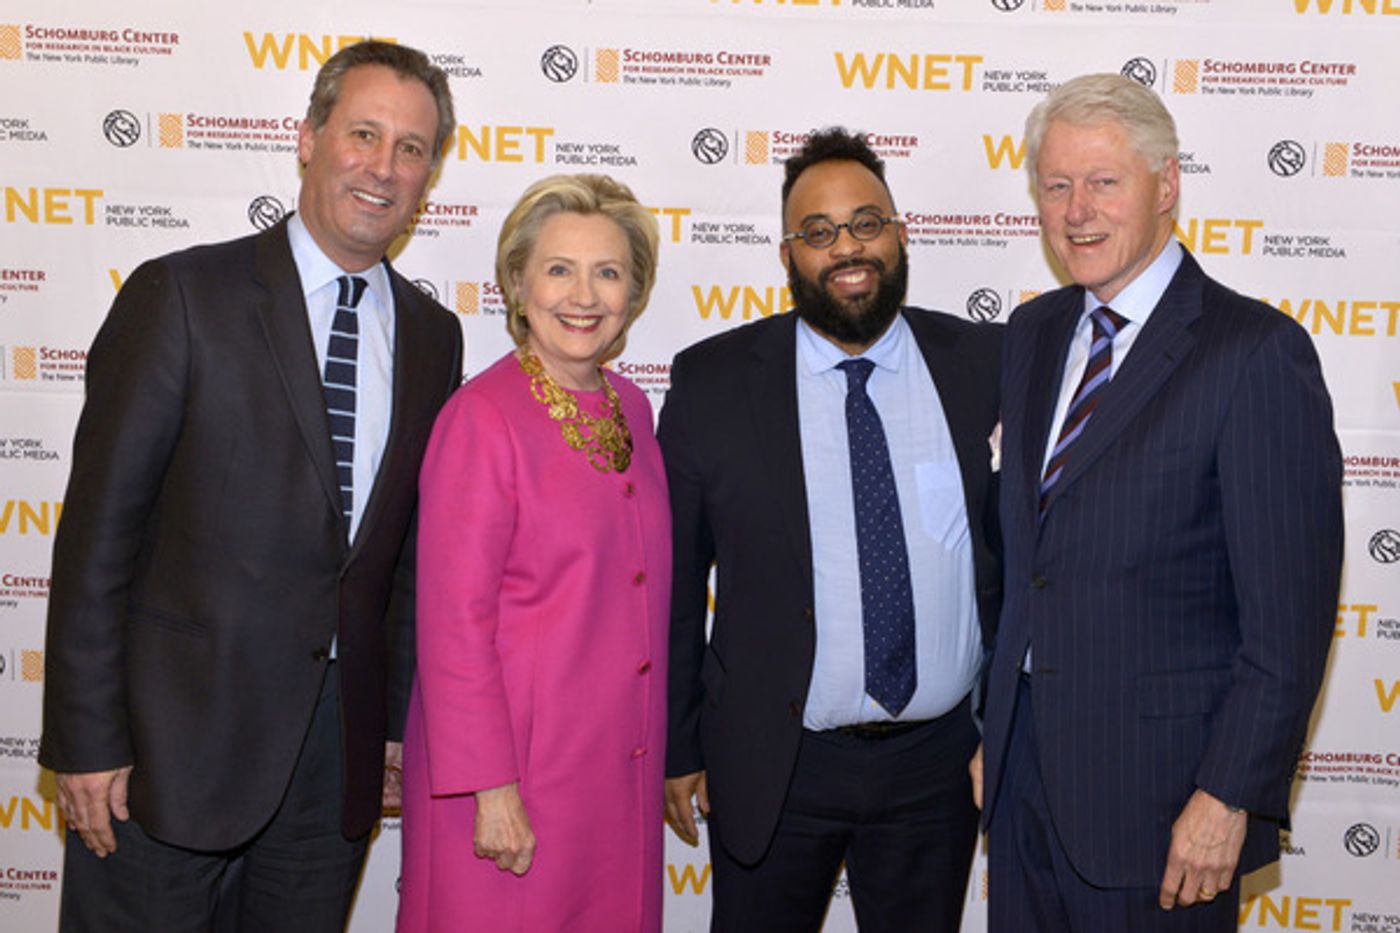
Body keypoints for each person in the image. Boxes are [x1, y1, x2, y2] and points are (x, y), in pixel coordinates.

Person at [39, 40, 463, 932]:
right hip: (164, 754)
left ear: (430, 173)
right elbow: (95, 539)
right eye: (363, 134)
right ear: (307, 138)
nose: (384, 168)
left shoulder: (435, 337)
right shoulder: (183, 296)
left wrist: (390, 724)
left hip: (328, 771)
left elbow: (407, 558)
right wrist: (85, 739)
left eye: (412, 148)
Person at [974, 73, 1343, 931]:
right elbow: (1027, 561)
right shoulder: (1033, 334)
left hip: (1168, 807)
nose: (1075, 209)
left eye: (1104, 181)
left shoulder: (1255, 353)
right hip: (1023, 786)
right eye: (1055, 185)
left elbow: (1286, 624)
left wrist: (1227, 794)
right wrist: (997, 729)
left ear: (1167, 184)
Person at [659, 128, 1002, 932]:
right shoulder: (712, 381)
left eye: (866, 222)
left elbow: (1027, 559)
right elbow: (675, 585)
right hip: (777, 762)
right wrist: (679, 747)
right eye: (818, 231)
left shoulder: (985, 362)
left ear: (901, 232)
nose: (846, 247)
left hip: (938, 765)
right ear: (788, 255)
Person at [396, 173, 668, 933]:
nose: (584, 295)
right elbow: (453, 623)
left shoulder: (632, 407)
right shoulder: (481, 418)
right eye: (559, 269)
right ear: (517, 283)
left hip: (617, 775)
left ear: (633, 293)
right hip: (511, 787)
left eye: (608, 272)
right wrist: (492, 788)